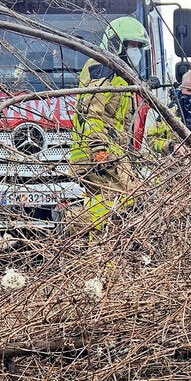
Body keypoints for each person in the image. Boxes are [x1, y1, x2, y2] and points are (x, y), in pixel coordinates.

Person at [69, 16, 150, 233]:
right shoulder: (102, 68)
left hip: (109, 150)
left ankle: (97, 245)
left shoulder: (121, 75)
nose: (136, 51)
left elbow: (122, 123)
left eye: (138, 47)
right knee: (132, 196)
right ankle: (73, 222)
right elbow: (91, 113)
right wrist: (99, 149)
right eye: (131, 45)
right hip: (95, 150)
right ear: (116, 44)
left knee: (108, 203)